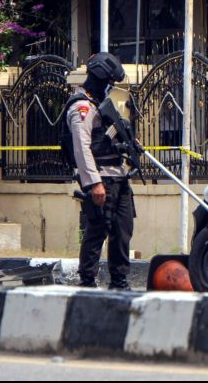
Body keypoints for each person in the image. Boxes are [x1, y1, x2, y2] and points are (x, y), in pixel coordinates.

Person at [65, 52, 134, 290]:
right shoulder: (82, 107)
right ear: (99, 78)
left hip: (118, 176)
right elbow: (81, 148)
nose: (111, 87)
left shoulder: (100, 104)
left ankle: (120, 282)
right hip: (101, 179)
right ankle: (87, 283)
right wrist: (94, 183)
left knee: (122, 231)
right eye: (109, 82)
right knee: (98, 232)